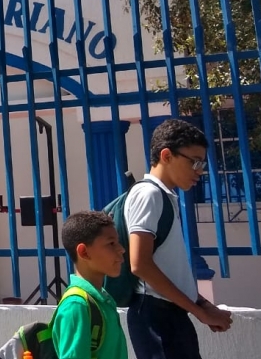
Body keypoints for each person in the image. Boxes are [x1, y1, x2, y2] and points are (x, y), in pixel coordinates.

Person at [125, 118, 233, 359]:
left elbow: (169, 268)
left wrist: (202, 305)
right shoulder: (149, 194)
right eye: (194, 162)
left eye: (202, 163)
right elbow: (140, 264)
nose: (199, 171)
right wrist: (199, 311)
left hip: (169, 313)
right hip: (155, 314)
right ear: (166, 155)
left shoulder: (163, 196)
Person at [52, 211, 128, 359]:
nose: (121, 249)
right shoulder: (77, 305)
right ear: (84, 252)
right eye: (111, 243)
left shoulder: (101, 298)